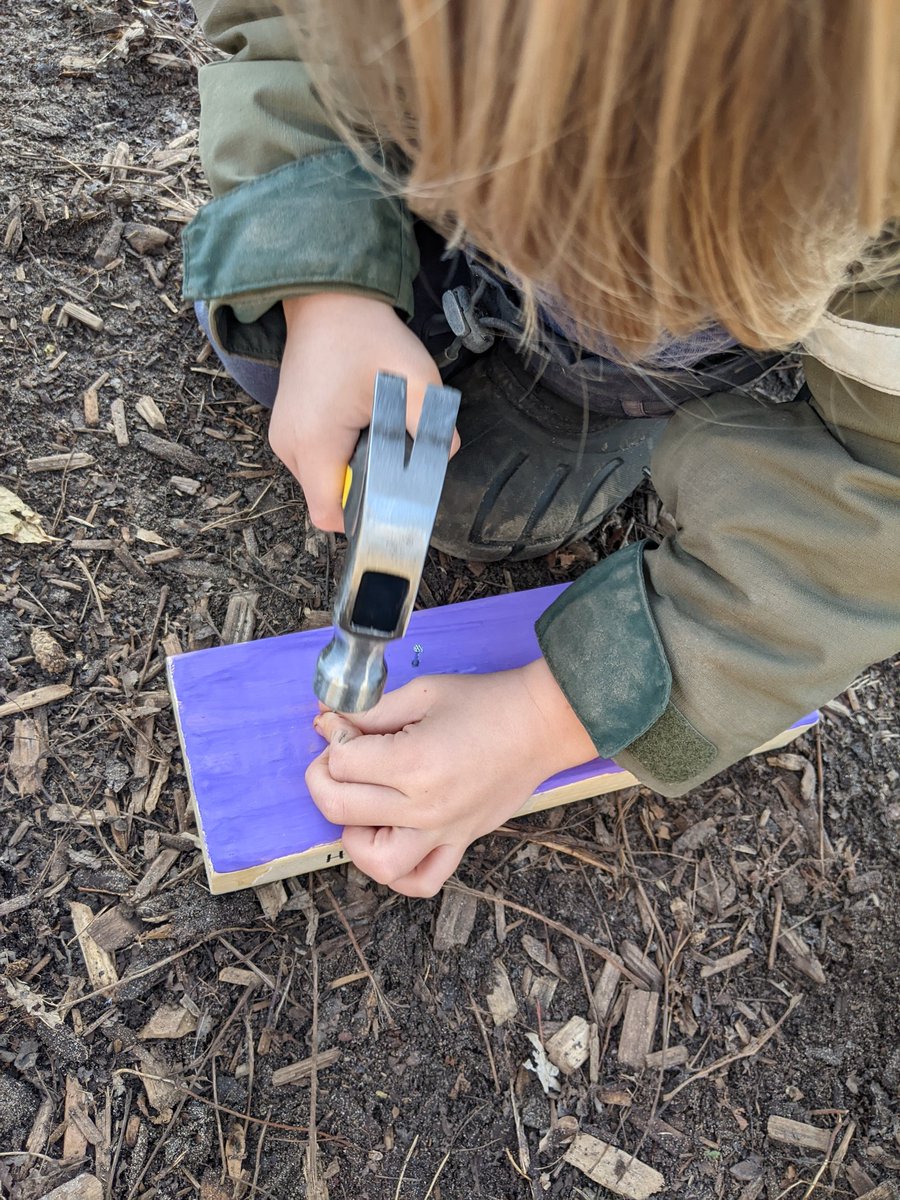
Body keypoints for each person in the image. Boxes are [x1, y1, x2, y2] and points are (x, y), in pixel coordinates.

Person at [184, 0, 900, 897]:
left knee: (484, 506)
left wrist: (544, 719)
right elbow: (280, 29)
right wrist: (321, 286)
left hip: (681, 321)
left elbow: (875, 511)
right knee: (270, 353)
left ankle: (628, 352)